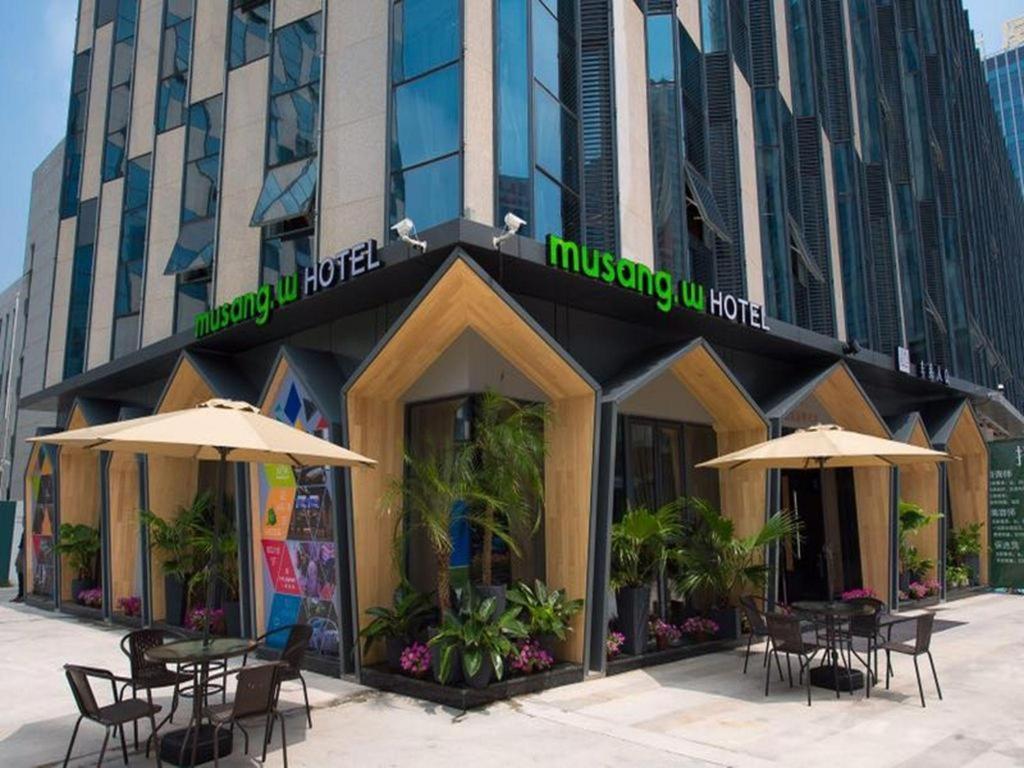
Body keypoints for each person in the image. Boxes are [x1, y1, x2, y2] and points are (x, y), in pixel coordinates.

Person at [12, 535, 25, 602]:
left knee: (21, 567)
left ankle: (22, 594)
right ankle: (21, 594)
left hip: (26, 548)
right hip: (22, 548)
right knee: (18, 565)